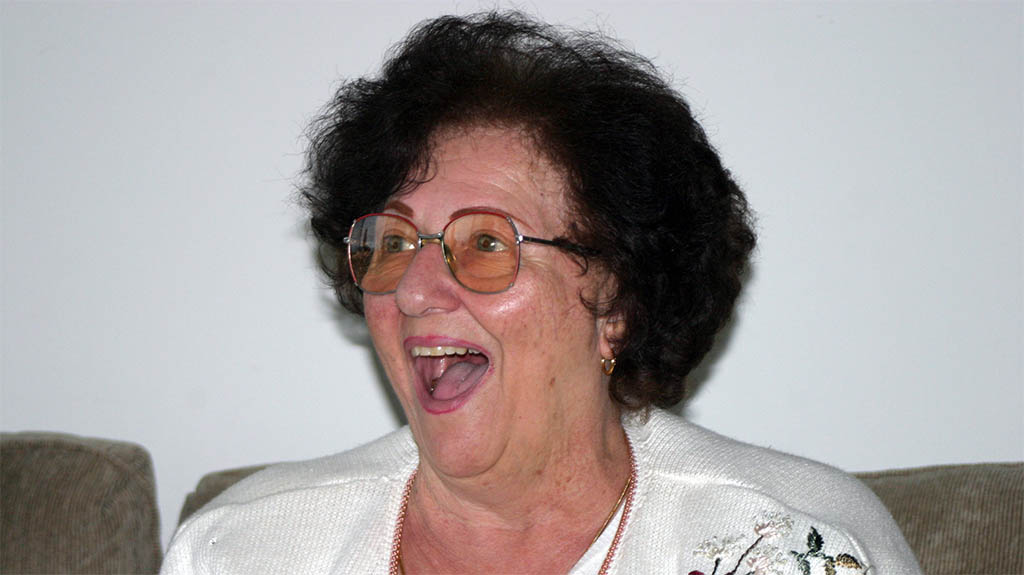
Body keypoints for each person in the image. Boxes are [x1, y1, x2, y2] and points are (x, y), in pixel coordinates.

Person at [162, 11, 920, 574]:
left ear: (616, 300)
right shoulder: (244, 548)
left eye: (486, 244)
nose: (415, 291)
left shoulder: (784, 545)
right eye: (393, 243)